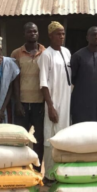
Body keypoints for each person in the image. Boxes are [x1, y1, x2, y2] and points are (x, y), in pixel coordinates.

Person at [37, 22, 72, 176]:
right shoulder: (46, 55)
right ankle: (50, 174)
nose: (61, 37)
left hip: (66, 101)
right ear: (51, 36)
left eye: (63, 33)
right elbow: (43, 83)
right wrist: (50, 106)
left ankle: (62, 172)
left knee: (64, 136)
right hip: (53, 102)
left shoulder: (67, 52)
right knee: (50, 137)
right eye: (58, 34)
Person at [11, 22, 46, 170]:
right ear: (24, 34)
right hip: (22, 104)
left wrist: (46, 103)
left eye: (35, 31)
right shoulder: (16, 54)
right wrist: (17, 103)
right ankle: (22, 168)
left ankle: (37, 169)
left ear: (38, 33)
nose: (33, 34)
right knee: (21, 138)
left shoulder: (45, 52)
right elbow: (14, 79)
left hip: (39, 103)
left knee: (39, 139)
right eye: (29, 31)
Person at [70, 27, 97, 123]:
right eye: (94, 34)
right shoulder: (78, 56)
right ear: (87, 37)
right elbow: (72, 78)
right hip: (80, 100)